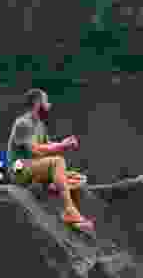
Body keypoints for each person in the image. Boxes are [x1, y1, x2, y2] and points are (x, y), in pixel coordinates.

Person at [5, 88, 93, 231]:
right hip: (19, 170)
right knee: (57, 162)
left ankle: (49, 189)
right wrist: (62, 146)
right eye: (46, 101)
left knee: (78, 178)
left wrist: (63, 143)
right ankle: (69, 210)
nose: (49, 105)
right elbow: (36, 150)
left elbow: (48, 146)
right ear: (37, 103)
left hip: (34, 169)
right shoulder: (23, 124)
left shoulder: (40, 125)